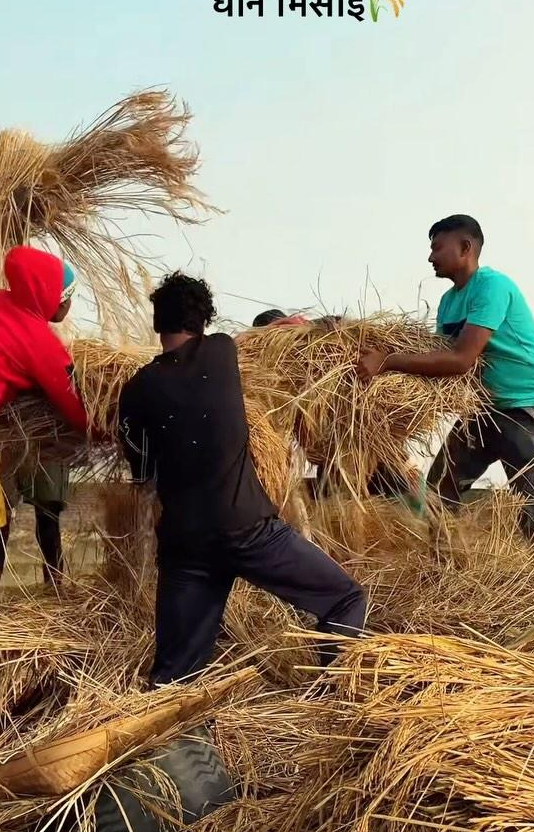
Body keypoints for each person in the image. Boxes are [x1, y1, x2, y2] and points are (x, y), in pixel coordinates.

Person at [118, 272, 365, 686]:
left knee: (173, 676)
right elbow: (282, 334)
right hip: (250, 531)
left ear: (157, 324)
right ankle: (332, 700)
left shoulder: (135, 390)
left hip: (186, 546)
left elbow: (143, 476)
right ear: (205, 321)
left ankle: (174, 742)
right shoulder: (222, 350)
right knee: (345, 598)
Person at [357, 214, 534, 538]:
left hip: (524, 406)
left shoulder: (492, 287)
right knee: (439, 492)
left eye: (437, 247)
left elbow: (460, 360)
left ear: (465, 247)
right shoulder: (449, 303)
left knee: (531, 511)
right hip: (480, 411)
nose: (430, 257)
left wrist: (387, 362)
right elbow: (437, 361)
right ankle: (446, 567)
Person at [0, 246, 88, 620]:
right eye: (68, 299)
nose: (68, 309)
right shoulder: (37, 336)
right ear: (55, 298)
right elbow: (70, 399)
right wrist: (99, 431)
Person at [17, 460, 69, 586]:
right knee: (44, 520)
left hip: (50, 458)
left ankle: (53, 582)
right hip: (36, 460)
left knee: (48, 517)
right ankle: (52, 581)